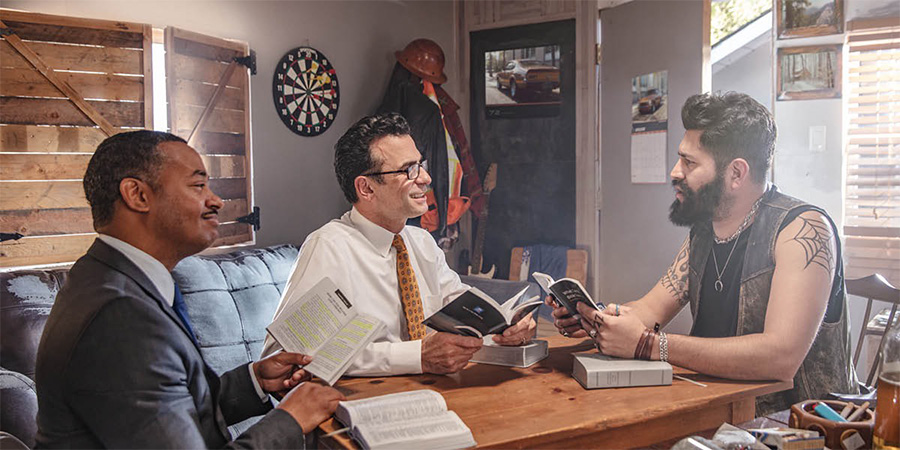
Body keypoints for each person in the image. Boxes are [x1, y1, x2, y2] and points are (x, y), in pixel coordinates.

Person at [551, 92, 857, 414]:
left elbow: (779, 358)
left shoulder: (803, 229)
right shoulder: (706, 229)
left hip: (803, 429)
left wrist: (648, 345)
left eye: (689, 162)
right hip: (718, 414)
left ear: (736, 173)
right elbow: (649, 309)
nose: (675, 172)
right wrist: (597, 318)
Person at [35, 131, 344, 448]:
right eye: (198, 185)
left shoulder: (110, 277)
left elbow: (168, 404)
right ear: (137, 195)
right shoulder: (120, 316)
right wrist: (290, 420)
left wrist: (254, 381)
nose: (216, 200)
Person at [262, 113, 535, 376]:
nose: (426, 179)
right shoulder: (329, 247)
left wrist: (507, 324)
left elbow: (460, 302)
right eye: (409, 170)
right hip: (364, 407)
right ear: (366, 188)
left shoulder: (421, 243)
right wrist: (414, 356)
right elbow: (284, 356)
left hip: (435, 394)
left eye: (421, 165)